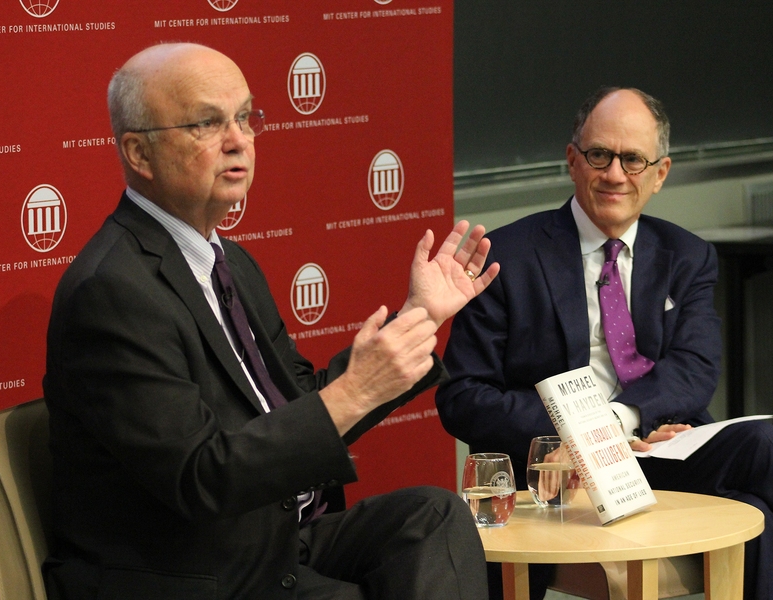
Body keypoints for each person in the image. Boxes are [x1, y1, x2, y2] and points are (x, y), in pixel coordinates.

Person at [42, 42, 500, 600]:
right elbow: (201, 477)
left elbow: (298, 406)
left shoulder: (230, 262)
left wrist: (418, 317)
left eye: (245, 117)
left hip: (274, 539)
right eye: (208, 123)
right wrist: (354, 392)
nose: (239, 140)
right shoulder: (114, 292)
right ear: (139, 153)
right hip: (194, 572)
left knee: (433, 515)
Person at [436, 87, 773, 600]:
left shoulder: (686, 254)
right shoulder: (507, 256)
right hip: (559, 471)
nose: (615, 174)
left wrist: (619, 421)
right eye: (599, 155)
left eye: (633, 160)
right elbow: (463, 397)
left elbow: (696, 367)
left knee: (765, 449)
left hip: (657, 446)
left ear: (660, 174)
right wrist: (584, 436)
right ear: (572, 161)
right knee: (763, 521)